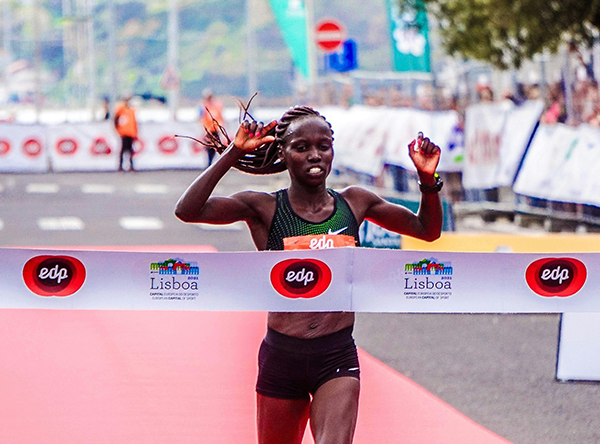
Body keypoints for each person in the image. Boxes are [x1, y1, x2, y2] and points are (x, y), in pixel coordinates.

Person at [174, 106, 443, 444]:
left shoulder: (355, 203)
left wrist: (427, 179)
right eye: (301, 148)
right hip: (281, 358)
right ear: (283, 154)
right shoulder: (265, 209)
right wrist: (234, 153)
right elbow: (188, 210)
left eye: (324, 146)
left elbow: (426, 230)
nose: (315, 155)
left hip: (336, 355)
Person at [199, 88, 225, 166]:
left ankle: (212, 161)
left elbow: (220, 117)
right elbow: (201, 118)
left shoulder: (217, 106)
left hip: (215, 129)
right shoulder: (203, 106)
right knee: (208, 147)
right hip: (208, 130)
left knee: (216, 146)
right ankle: (209, 162)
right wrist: (203, 129)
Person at [114, 95, 138, 172]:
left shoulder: (132, 110)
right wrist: (117, 129)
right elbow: (116, 119)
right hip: (124, 132)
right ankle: (120, 166)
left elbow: (134, 121)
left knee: (130, 150)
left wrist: (135, 131)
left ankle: (131, 165)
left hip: (131, 132)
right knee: (123, 149)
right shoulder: (121, 109)